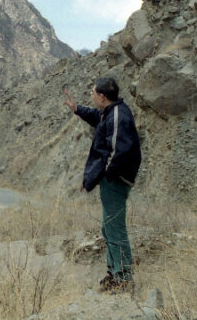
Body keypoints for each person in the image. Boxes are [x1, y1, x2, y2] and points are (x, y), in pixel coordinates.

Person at [63, 76, 141, 293]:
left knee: (115, 228)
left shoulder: (118, 116)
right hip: (113, 179)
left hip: (116, 180)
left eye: (93, 93)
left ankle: (123, 277)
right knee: (108, 227)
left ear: (102, 97)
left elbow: (119, 152)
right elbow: (97, 117)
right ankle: (114, 272)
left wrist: (104, 173)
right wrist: (77, 108)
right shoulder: (112, 111)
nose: (92, 95)